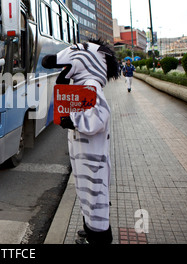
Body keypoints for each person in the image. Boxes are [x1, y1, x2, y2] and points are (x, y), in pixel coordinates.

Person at [41, 38, 120, 244]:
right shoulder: (82, 83)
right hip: (83, 153)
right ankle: (90, 229)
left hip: (92, 157)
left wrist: (71, 119)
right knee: (86, 195)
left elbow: (98, 118)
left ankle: (100, 238)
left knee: (95, 197)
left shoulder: (92, 84)